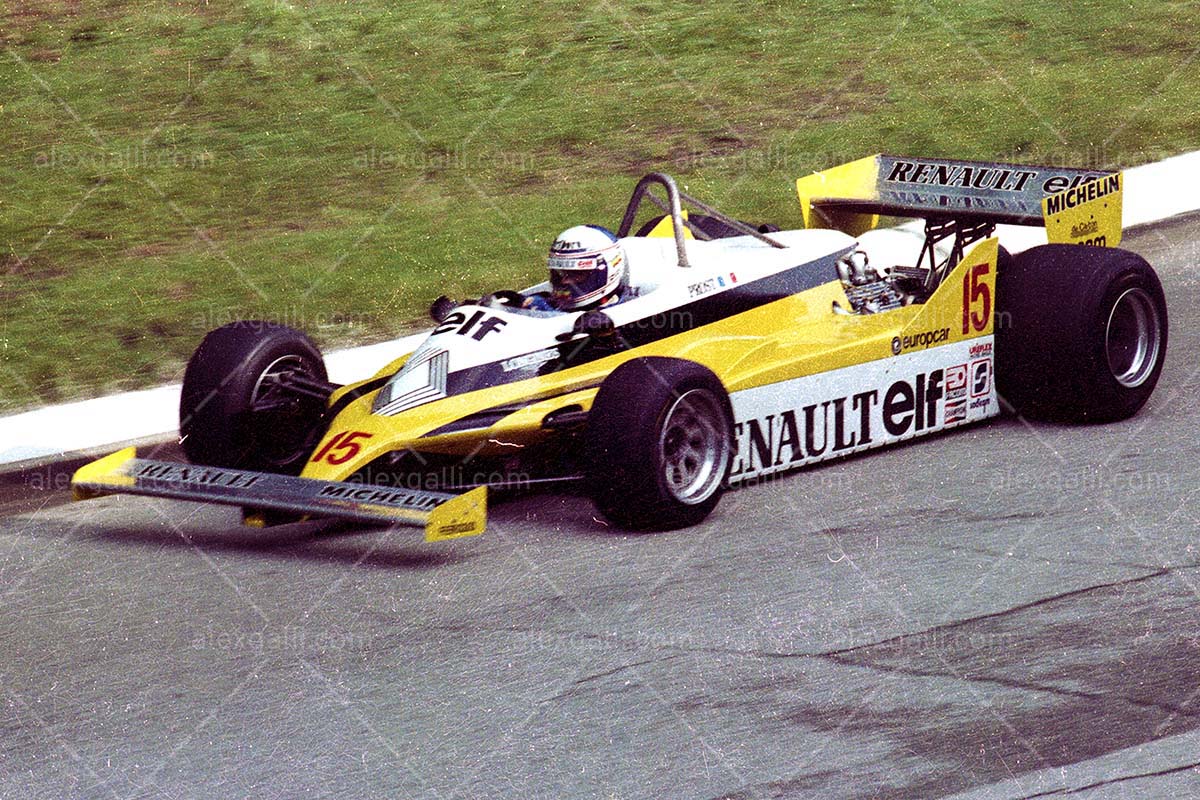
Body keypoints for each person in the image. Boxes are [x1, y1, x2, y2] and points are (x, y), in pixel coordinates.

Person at [522, 225, 630, 312]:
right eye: (561, 273)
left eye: (576, 274)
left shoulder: (624, 310)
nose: (564, 280)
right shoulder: (557, 305)